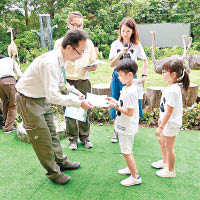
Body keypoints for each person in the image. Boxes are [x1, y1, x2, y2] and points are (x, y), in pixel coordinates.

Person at [16, 30, 94, 185]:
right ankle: (53, 173)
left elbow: (61, 84)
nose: (81, 56)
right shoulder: (50, 62)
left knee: (52, 133)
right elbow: (53, 96)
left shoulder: (60, 60)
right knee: (42, 139)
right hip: (29, 100)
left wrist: (76, 92)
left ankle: (61, 162)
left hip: (41, 97)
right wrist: (79, 103)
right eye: (81, 52)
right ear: (70, 48)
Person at [54, 11, 97, 150]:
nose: (78, 29)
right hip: (67, 81)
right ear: (68, 24)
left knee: (85, 110)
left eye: (81, 25)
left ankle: (85, 138)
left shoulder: (88, 43)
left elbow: (94, 62)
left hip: (83, 80)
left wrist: (93, 67)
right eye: (75, 25)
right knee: (70, 111)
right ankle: (72, 139)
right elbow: (56, 63)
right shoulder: (60, 43)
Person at [109, 17, 148, 143]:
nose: (125, 34)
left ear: (133, 32)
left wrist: (144, 75)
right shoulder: (115, 44)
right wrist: (121, 53)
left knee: (131, 102)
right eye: (123, 31)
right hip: (118, 76)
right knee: (117, 100)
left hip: (132, 78)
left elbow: (145, 60)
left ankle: (130, 127)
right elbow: (111, 64)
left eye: (128, 31)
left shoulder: (136, 45)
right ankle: (116, 130)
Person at [152, 59, 190, 178]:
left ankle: (170, 170)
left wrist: (161, 126)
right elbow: (165, 108)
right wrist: (161, 119)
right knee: (161, 141)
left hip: (171, 123)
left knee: (169, 146)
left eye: (165, 71)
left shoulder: (173, 90)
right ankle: (165, 162)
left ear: (174, 74)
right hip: (167, 122)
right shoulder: (171, 87)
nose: (163, 73)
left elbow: (169, 111)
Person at [107, 58, 142, 187]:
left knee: (126, 152)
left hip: (127, 127)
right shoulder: (127, 87)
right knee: (127, 151)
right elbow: (124, 104)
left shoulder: (131, 91)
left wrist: (115, 106)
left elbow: (130, 112)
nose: (118, 78)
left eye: (120, 75)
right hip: (124, 126)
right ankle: (130, 169)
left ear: (130, 75)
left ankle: (135, 176)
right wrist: (115, 102)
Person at [0, 55, 22, 133]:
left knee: (5, 104)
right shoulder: (10, 60)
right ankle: (8, 128)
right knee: (13, 104)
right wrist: (18, 82)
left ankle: (6, 124)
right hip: (9, 81)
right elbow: (19, 74)